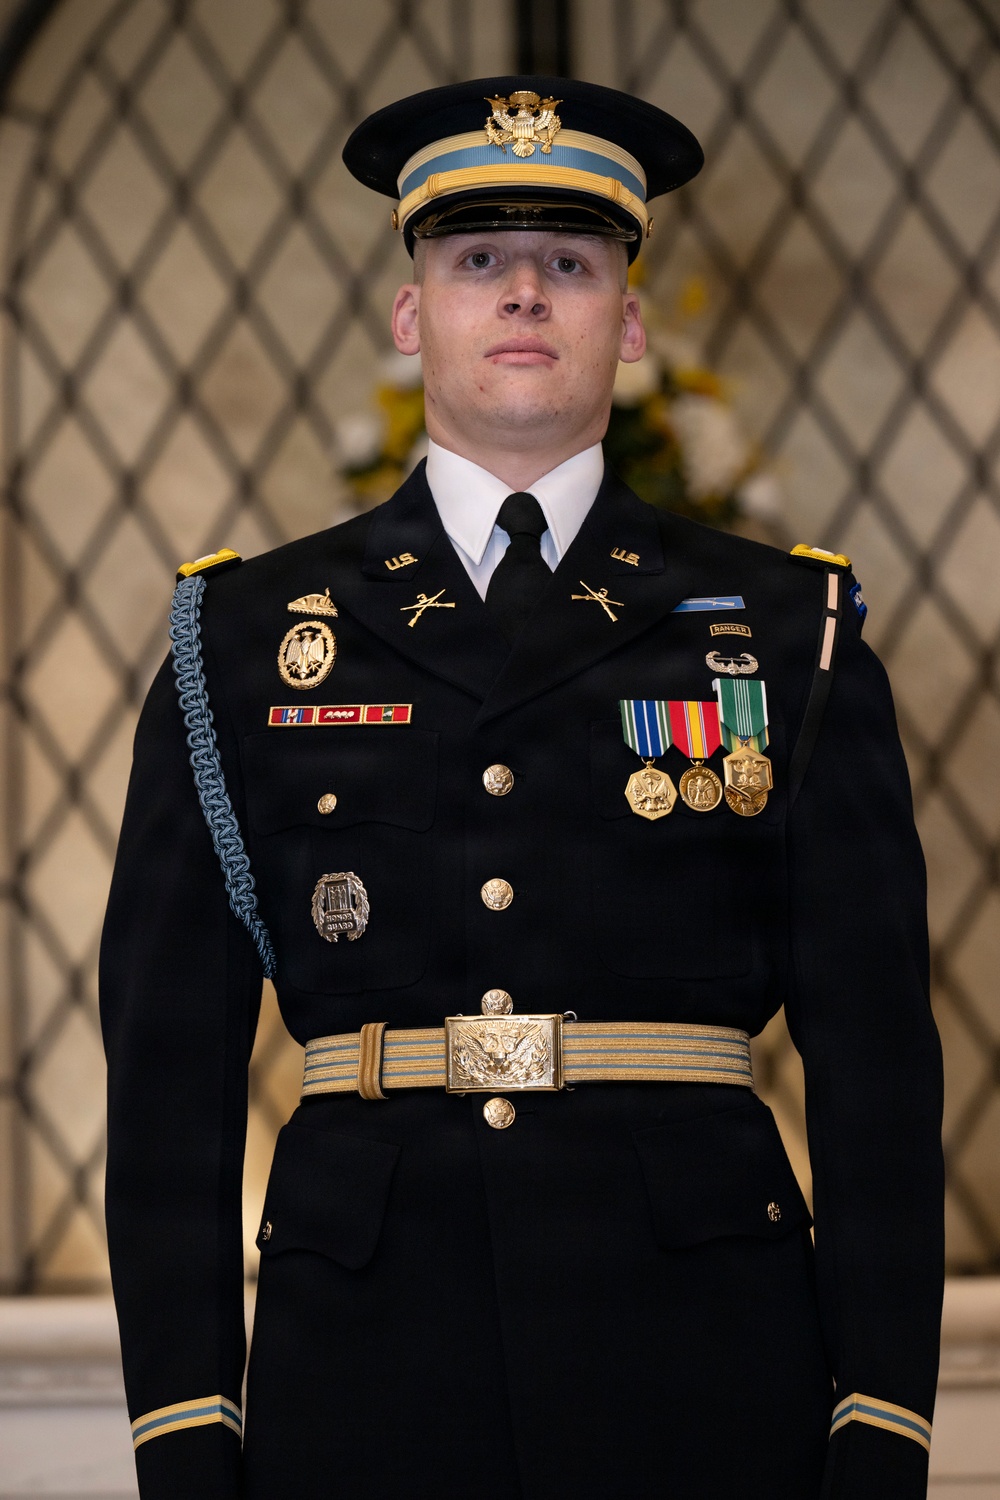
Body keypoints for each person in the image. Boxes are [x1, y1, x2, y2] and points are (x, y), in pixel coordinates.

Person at [100, 75, 944, 1500]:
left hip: (704, 1368)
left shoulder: (781, 629)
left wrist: (881, 1422)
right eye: (477, 260)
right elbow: (168, 1076)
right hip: (366, 1369)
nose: (525, 296)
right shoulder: (244, 639)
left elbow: (875, 1063)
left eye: (570, 263)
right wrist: (187, 1426)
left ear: (629, 321)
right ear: (410, 316)